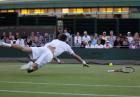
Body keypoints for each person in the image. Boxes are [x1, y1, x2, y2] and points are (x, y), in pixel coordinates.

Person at [0, 34, 88, 73]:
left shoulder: (54, 40)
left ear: (59, 38)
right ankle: (31, 64)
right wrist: (83, 62)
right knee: (31, 69)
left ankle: (4, 44)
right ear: (65, 40)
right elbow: (75, 56)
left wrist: (57, 60)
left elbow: (51, 50)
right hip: (48, 54)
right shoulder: (66, 46)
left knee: (23, 48)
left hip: (44, 49)